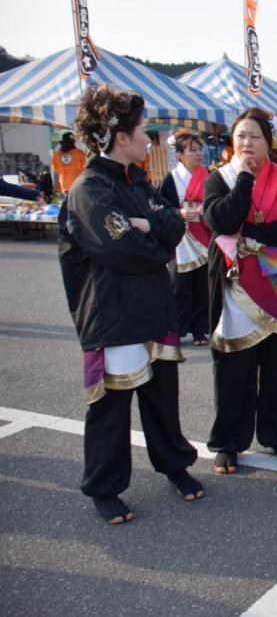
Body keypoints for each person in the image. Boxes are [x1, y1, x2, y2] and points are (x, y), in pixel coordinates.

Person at [57, 84, 202, 524]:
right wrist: (154, 234)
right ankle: (104, 487)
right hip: (112, 313)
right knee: (111, 407)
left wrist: (151, 228)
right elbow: (123, 248)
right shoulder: (90, 189)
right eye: (144, 130)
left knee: (162, 395)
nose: (149, 139)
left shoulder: (136, 181)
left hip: (153, 308)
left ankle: (174, 464)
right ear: (121, 136)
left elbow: (172, 225)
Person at [204, 107, 277, 475]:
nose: (247, 143)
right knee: (235, 364)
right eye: (240, 137)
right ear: (231, 142)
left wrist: (252, 235)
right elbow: (222, 219)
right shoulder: (219, 179)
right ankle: (229, 441)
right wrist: (245, 181)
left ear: (268, 142)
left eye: (254, 136)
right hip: (236, 281)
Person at [158, 131, 212, 346]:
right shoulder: (171, 179)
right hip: (181, 238)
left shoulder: (208, 176)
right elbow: (161, 207)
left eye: (199, 149)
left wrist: (204, 211)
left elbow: (215, 203)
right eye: (192, 150)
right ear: (180, 155)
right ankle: (178, 327)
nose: (198, 154)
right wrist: (178, 213)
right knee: (179, 286)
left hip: (203, 236)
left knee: (202, 285)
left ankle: (200, 329)